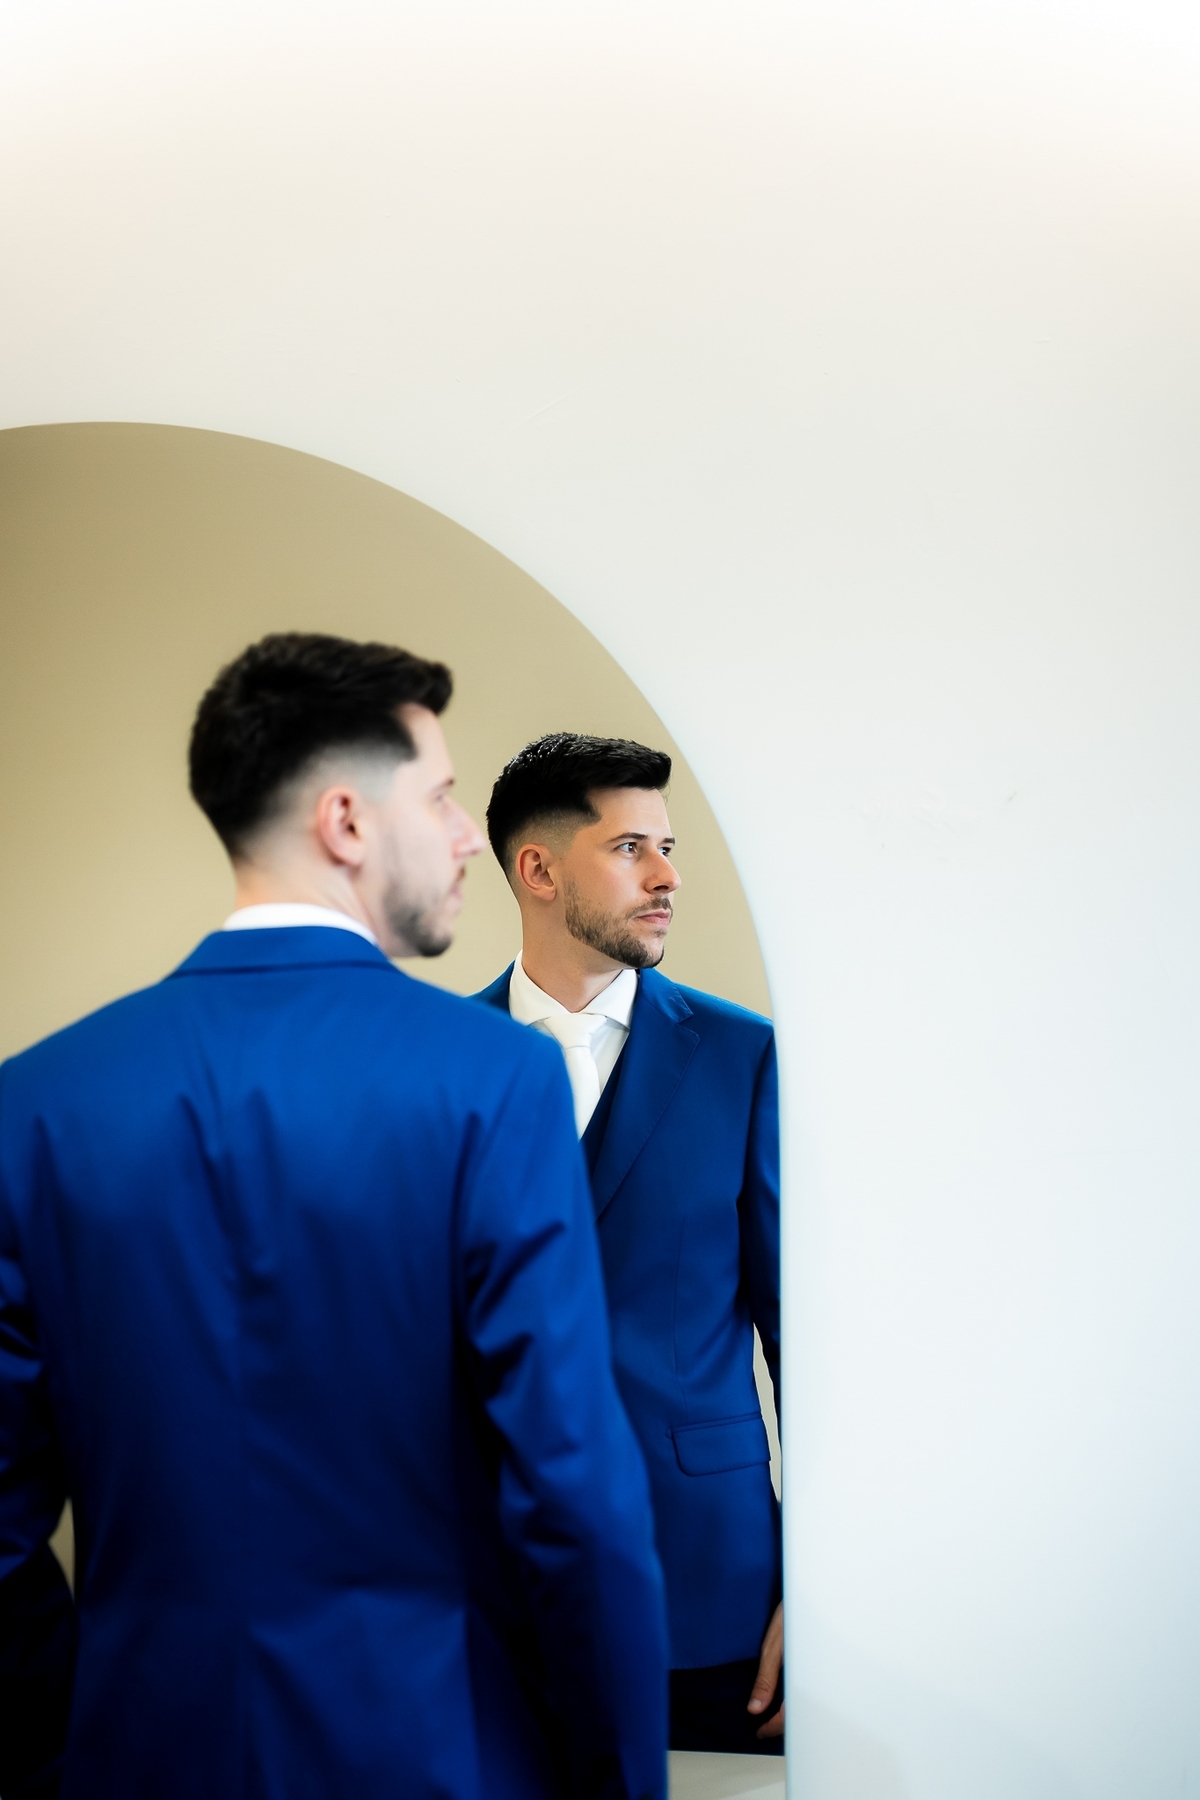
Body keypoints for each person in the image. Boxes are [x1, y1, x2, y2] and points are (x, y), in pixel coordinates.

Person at [0, 636, 668, 1800]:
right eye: (443, 798)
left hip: (139, 1757)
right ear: (347, 822)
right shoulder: (493, 1079)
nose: (468, 837)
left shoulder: (35, 1102)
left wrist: (68, 1751)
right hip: (436, 1755)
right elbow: (574, 1492)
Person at [474, 734, 782, 1756]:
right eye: (630, 848)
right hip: (488, 1587)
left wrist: (824, 1583)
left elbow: (804, 1339)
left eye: (669, 848)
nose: (667, 878)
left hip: (712, 1583)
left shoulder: (744, 1058)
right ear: (539, 869)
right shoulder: (435, 1066)